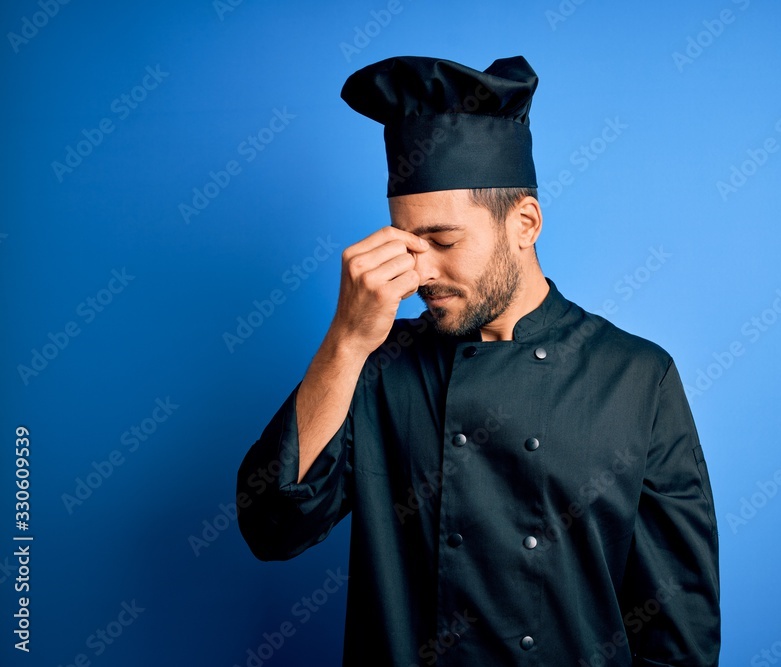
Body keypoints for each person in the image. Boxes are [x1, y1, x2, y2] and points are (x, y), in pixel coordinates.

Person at [237, 55, 720, 667]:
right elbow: (272, 527)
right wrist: (346, 340)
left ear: (525, 223)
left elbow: (678, 630)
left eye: (442, 241)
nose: (421, 272)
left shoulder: (636, 377)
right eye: (407, 245)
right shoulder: (376, 367)